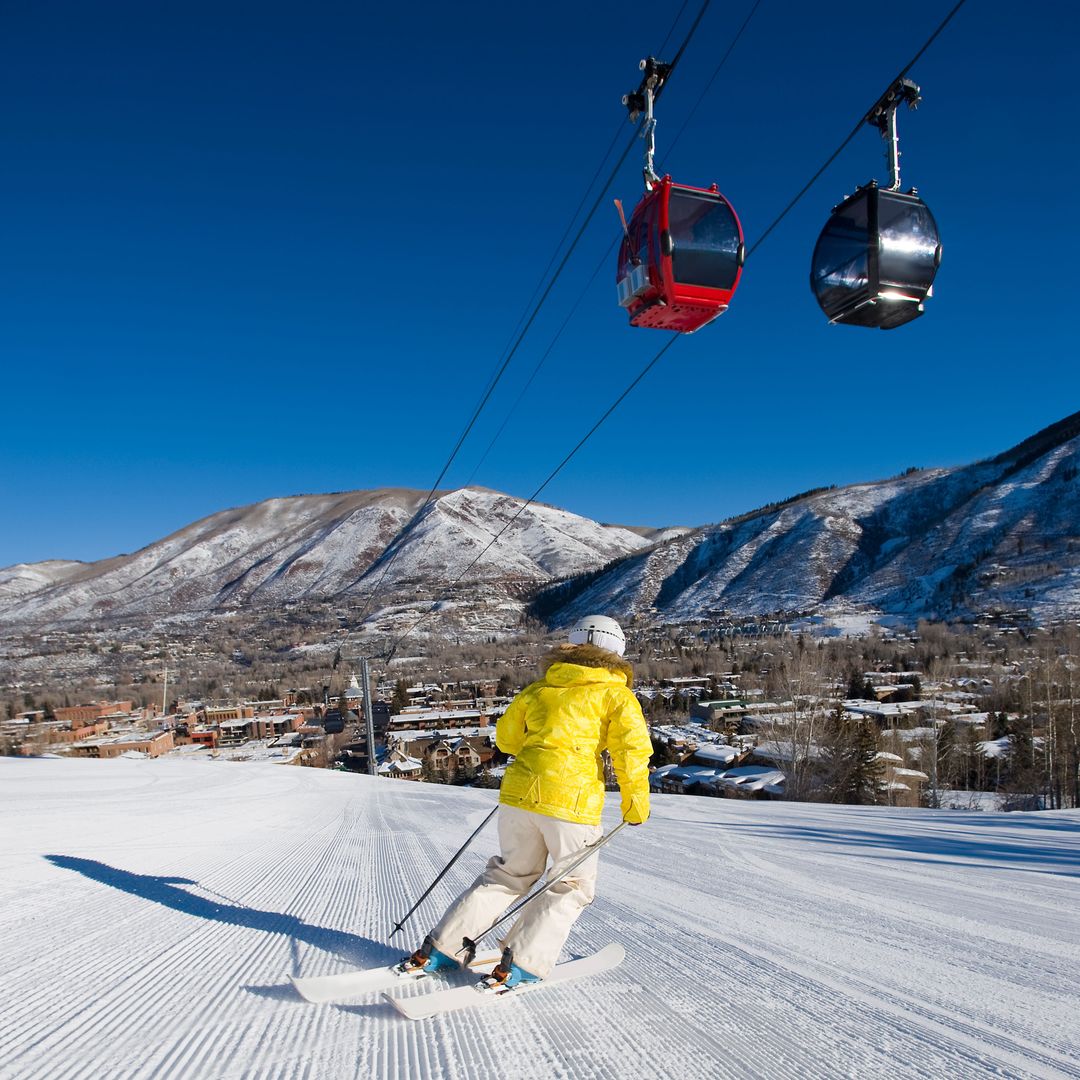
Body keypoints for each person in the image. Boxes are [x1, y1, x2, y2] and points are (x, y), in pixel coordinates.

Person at [401, 615, 651, 989]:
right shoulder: (616, 694)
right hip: (571, 803)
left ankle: (440, 949)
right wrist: (636, 802)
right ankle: (521, 964)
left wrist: (537, 749)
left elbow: (505, 739)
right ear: (617, 652)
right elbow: (630, 751)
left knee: (506, 875)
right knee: (571, 885)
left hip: (519, 795)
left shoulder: (539, 690)